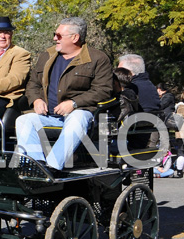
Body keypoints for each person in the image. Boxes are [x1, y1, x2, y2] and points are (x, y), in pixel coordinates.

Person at [15, 17, 114, 171]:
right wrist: (36, 100)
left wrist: (73, 103)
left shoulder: (98, 59)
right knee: (23, 120)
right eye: (55, 34)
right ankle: (36, 167)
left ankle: (52, 167)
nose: (55, 38)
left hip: (81, 116)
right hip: (49, 117)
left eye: (59, 35)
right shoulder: (46, 56)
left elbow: (103, 90)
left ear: (75, 37)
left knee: (77, 117)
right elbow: (32, 84)